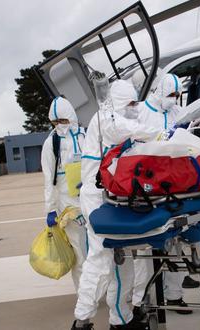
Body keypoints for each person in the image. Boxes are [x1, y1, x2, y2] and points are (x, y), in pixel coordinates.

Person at [73, 79, 163, 330]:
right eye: (132, 103)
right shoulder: (105, 120)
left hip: (112, 197)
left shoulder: (115, 120)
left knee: (121, 261)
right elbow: (125, 128)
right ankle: (82, 320)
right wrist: (158, 132)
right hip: (97, 199)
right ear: (121, 103)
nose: (136, 107)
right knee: (100, 259)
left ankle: (121, 319)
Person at [131, 73, 200, 314]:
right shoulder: (142, 111)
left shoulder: (177, 111)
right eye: (170, 95)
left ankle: (174, 296)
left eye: (177, 95)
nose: (174, 99)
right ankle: (141, 300)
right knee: (145, 251)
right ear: (159, 92)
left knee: (176, 242)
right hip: (149, 185)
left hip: (174, 185)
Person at [41, 96, 88, 323]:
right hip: (66, 205)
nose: (60, 124)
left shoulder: (85, 135)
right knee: (78, 251)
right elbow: (48, 179)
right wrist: (50, 209)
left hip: (89, 200)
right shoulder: (51, 143)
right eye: (56, 120)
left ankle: (98, 289)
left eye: (64, 119)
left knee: (96, 249)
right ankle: (84, 296)